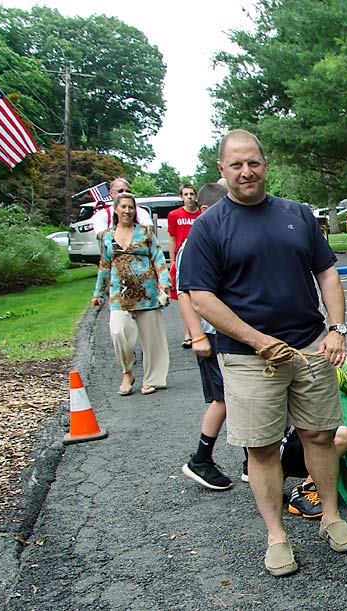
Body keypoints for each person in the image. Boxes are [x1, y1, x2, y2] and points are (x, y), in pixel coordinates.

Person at [180, 129, 347, 577]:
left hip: (311, 347)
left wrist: (335, 329)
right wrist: (259, 341)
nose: (246, 171)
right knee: (260, 448)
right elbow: (200, 296)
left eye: (253, 162)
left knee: (320, 435)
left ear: (265, 163)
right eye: (236, 164)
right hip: (248, 358)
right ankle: (277, 536)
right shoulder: (209, 226)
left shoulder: (297, 214)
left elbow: (329, 276)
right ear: (222, 170)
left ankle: (331, 517)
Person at [177, 183, 236, 490]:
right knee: (222, 399)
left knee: (239, 396)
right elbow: (185, 292)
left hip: (229, 332)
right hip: (211, 335)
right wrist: (197, 335)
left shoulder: (223, 239)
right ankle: (201, 459)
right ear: (203, 212)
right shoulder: (193, 245)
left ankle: (253, 462)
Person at [90, 192, 171, 396]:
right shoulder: (107, 236)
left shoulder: (144, 233)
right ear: (115, 210)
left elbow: (158, 257)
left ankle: (151, 379)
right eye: (123, 207)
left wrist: (164, 282)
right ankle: (127, 371)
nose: (127, 211)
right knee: (118, 331)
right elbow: (104, 266)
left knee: (152, 340)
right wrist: (98, 292)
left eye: (131, 207)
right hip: (120, 295)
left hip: (147, 292)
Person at [168, 184, 201, 334]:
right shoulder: (175, 215)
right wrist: (172, 261)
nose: (189, 197)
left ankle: (201, 329)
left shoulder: (201, 214)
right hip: (182, 259)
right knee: (184, 296)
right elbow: (172, 239)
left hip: (199, 257)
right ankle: (188, 333)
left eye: (191, 194)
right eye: (186, 194)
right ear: (181, 197)